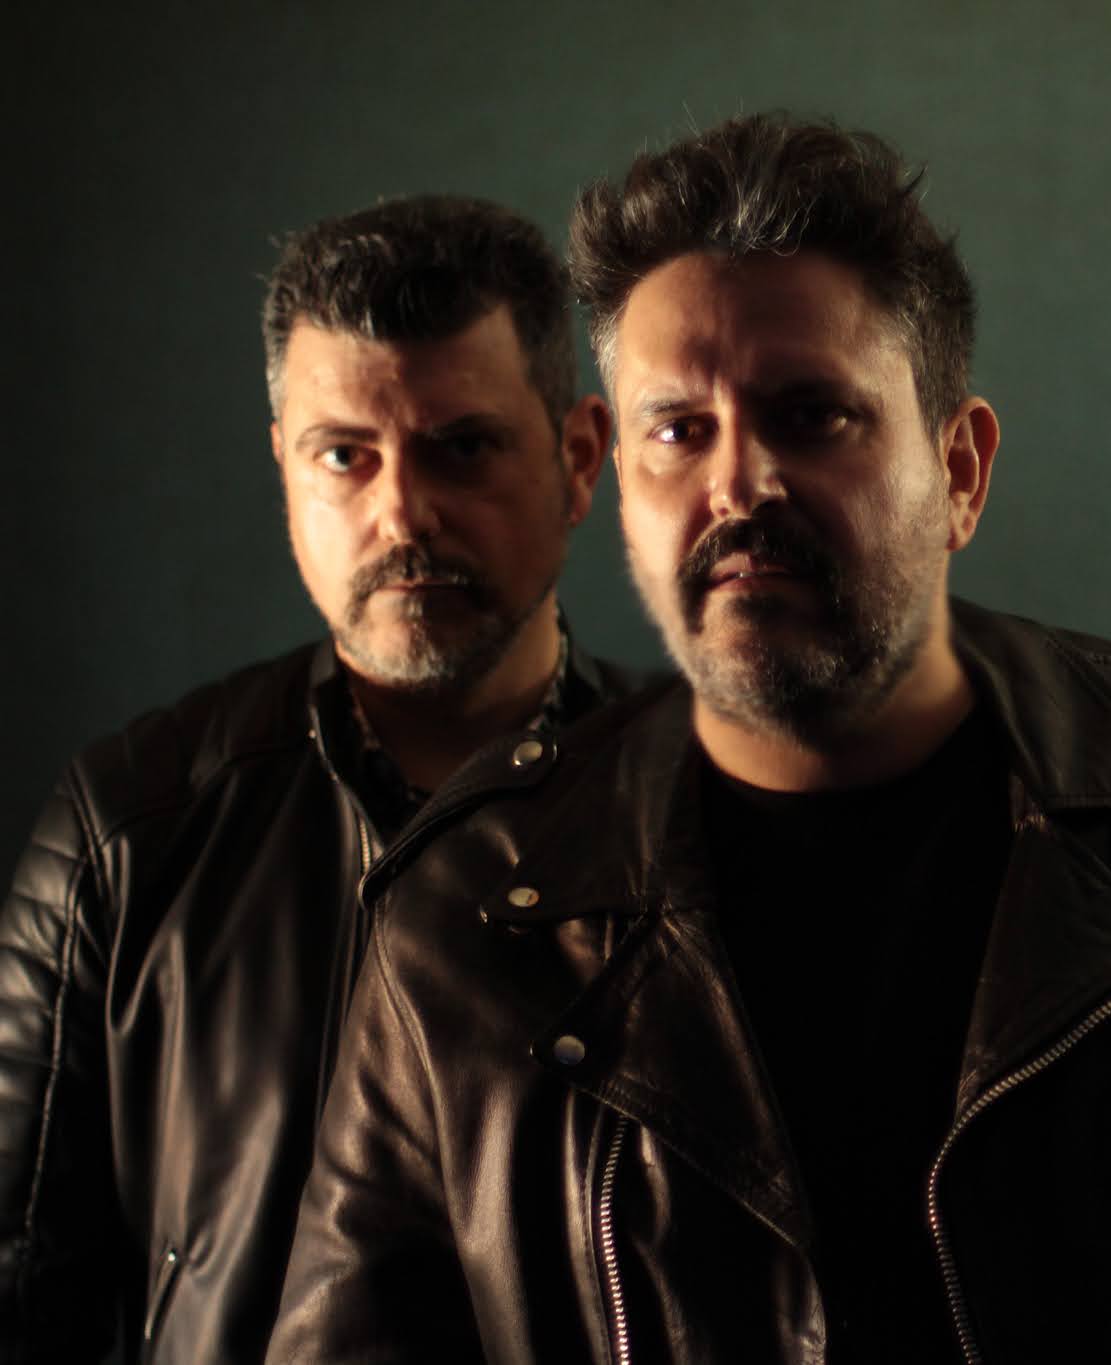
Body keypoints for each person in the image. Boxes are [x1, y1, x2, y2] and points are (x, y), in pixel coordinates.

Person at [266, 115, 1111, 1364]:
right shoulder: (468, 928)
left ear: (959, 470)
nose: (738, 484)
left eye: (811, 414)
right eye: (678, 430)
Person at [0, 195, 639, 1362]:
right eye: (345, 455)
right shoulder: (127, 830)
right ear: (286, 473)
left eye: (463, 447)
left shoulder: (694, 806)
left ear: (579, 457)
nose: (403, 513)